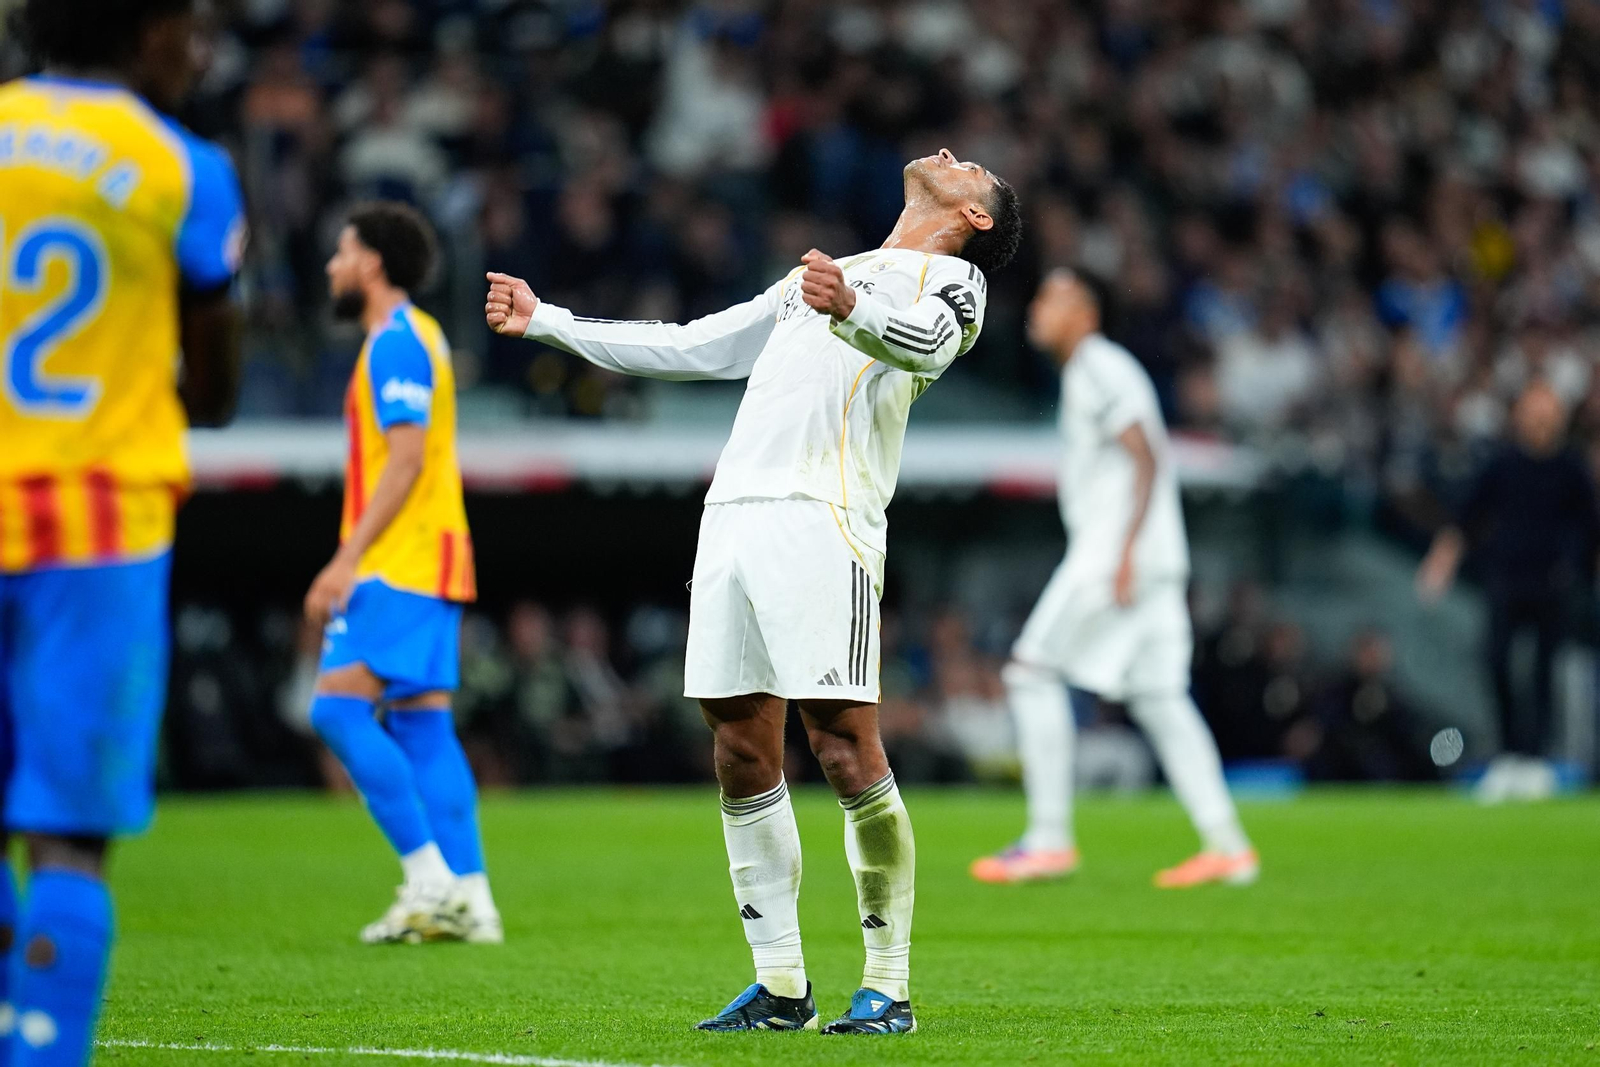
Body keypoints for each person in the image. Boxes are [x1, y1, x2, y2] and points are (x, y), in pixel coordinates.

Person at [486, 148, 1022, 1034]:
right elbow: (699, 344)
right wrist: (551, 321)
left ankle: (888, 986)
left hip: (826, 516)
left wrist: (851, 308)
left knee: (843, 745)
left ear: (977, 217)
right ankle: (780, 985)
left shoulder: (956, 283)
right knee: (738, 743)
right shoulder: (826, 273)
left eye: (969, 166)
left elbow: (925, 341)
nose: (946, 155)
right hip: (733, 511)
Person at [0, 1, 246, 1061]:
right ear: (147, 33)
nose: (198, 50)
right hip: (96, 530)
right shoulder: (181, 166)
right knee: (68, 835)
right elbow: (218, 387)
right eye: (189, 27)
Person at [970, 271, 1258, 889]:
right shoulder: (1102, 368)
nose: (1037, 310)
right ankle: (1228, 847)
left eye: (1052, 299)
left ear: (1086, 312)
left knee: (1030, 671)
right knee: (1160, 699)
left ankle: (1048, 840)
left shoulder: (1096, 366)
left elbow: (1145, 453)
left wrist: (1125, 551)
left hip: (1113, 555)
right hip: (1154, 558)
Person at [306, 203, 500, 944]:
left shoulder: (395, 342)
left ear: (372, 262)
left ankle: (429, 880)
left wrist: (346, 558)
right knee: (422, 725)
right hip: (434, 554)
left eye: (342, 252)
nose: (332, 266)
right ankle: (472, 899)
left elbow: (408, 457)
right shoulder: (419, 335)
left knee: (335, 709)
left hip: (402, 559)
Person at [1417, 381, 1600, 802]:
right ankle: (1508, 755)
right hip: (1506, 581)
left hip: (1553, 583)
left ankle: (1535, 760)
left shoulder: (1570, 469)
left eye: (1547, 412)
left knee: (1543, 673)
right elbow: (1466, 516)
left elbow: (1592, 529)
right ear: (1519, 416)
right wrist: (1440, 564)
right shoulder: (1502, 464)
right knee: (1496, 660)